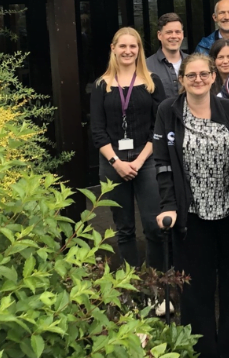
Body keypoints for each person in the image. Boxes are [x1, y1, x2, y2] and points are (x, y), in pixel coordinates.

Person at [153, 53, 229, 358]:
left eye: (203, 74)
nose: (198, 80)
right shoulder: (168, 111)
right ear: (181, 80)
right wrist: (169, 205)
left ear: (214, 76)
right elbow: (163, 163)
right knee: (196, 287)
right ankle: (202, 350)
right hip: (191, 214)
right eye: (191, 75)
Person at [90, 28, 167, 313]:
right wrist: (117, 163)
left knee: (153, 226)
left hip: (145, 160)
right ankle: (132, 288)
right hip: (113, 163)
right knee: (124, 230)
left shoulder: (151, 82)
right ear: (113, 48)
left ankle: (157, 288)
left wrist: (139, 159)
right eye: (122, 46)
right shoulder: (101, 85)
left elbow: (158, 127)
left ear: (139, 50)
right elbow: (97, 131)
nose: (127, 51)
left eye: (133, 46)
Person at [147, 12, 188, 97]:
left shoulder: (194, 63)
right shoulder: (146, 66)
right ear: (159, 35)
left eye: (177, 32)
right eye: (169, 32)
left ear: (182, 35)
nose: (174, 36)